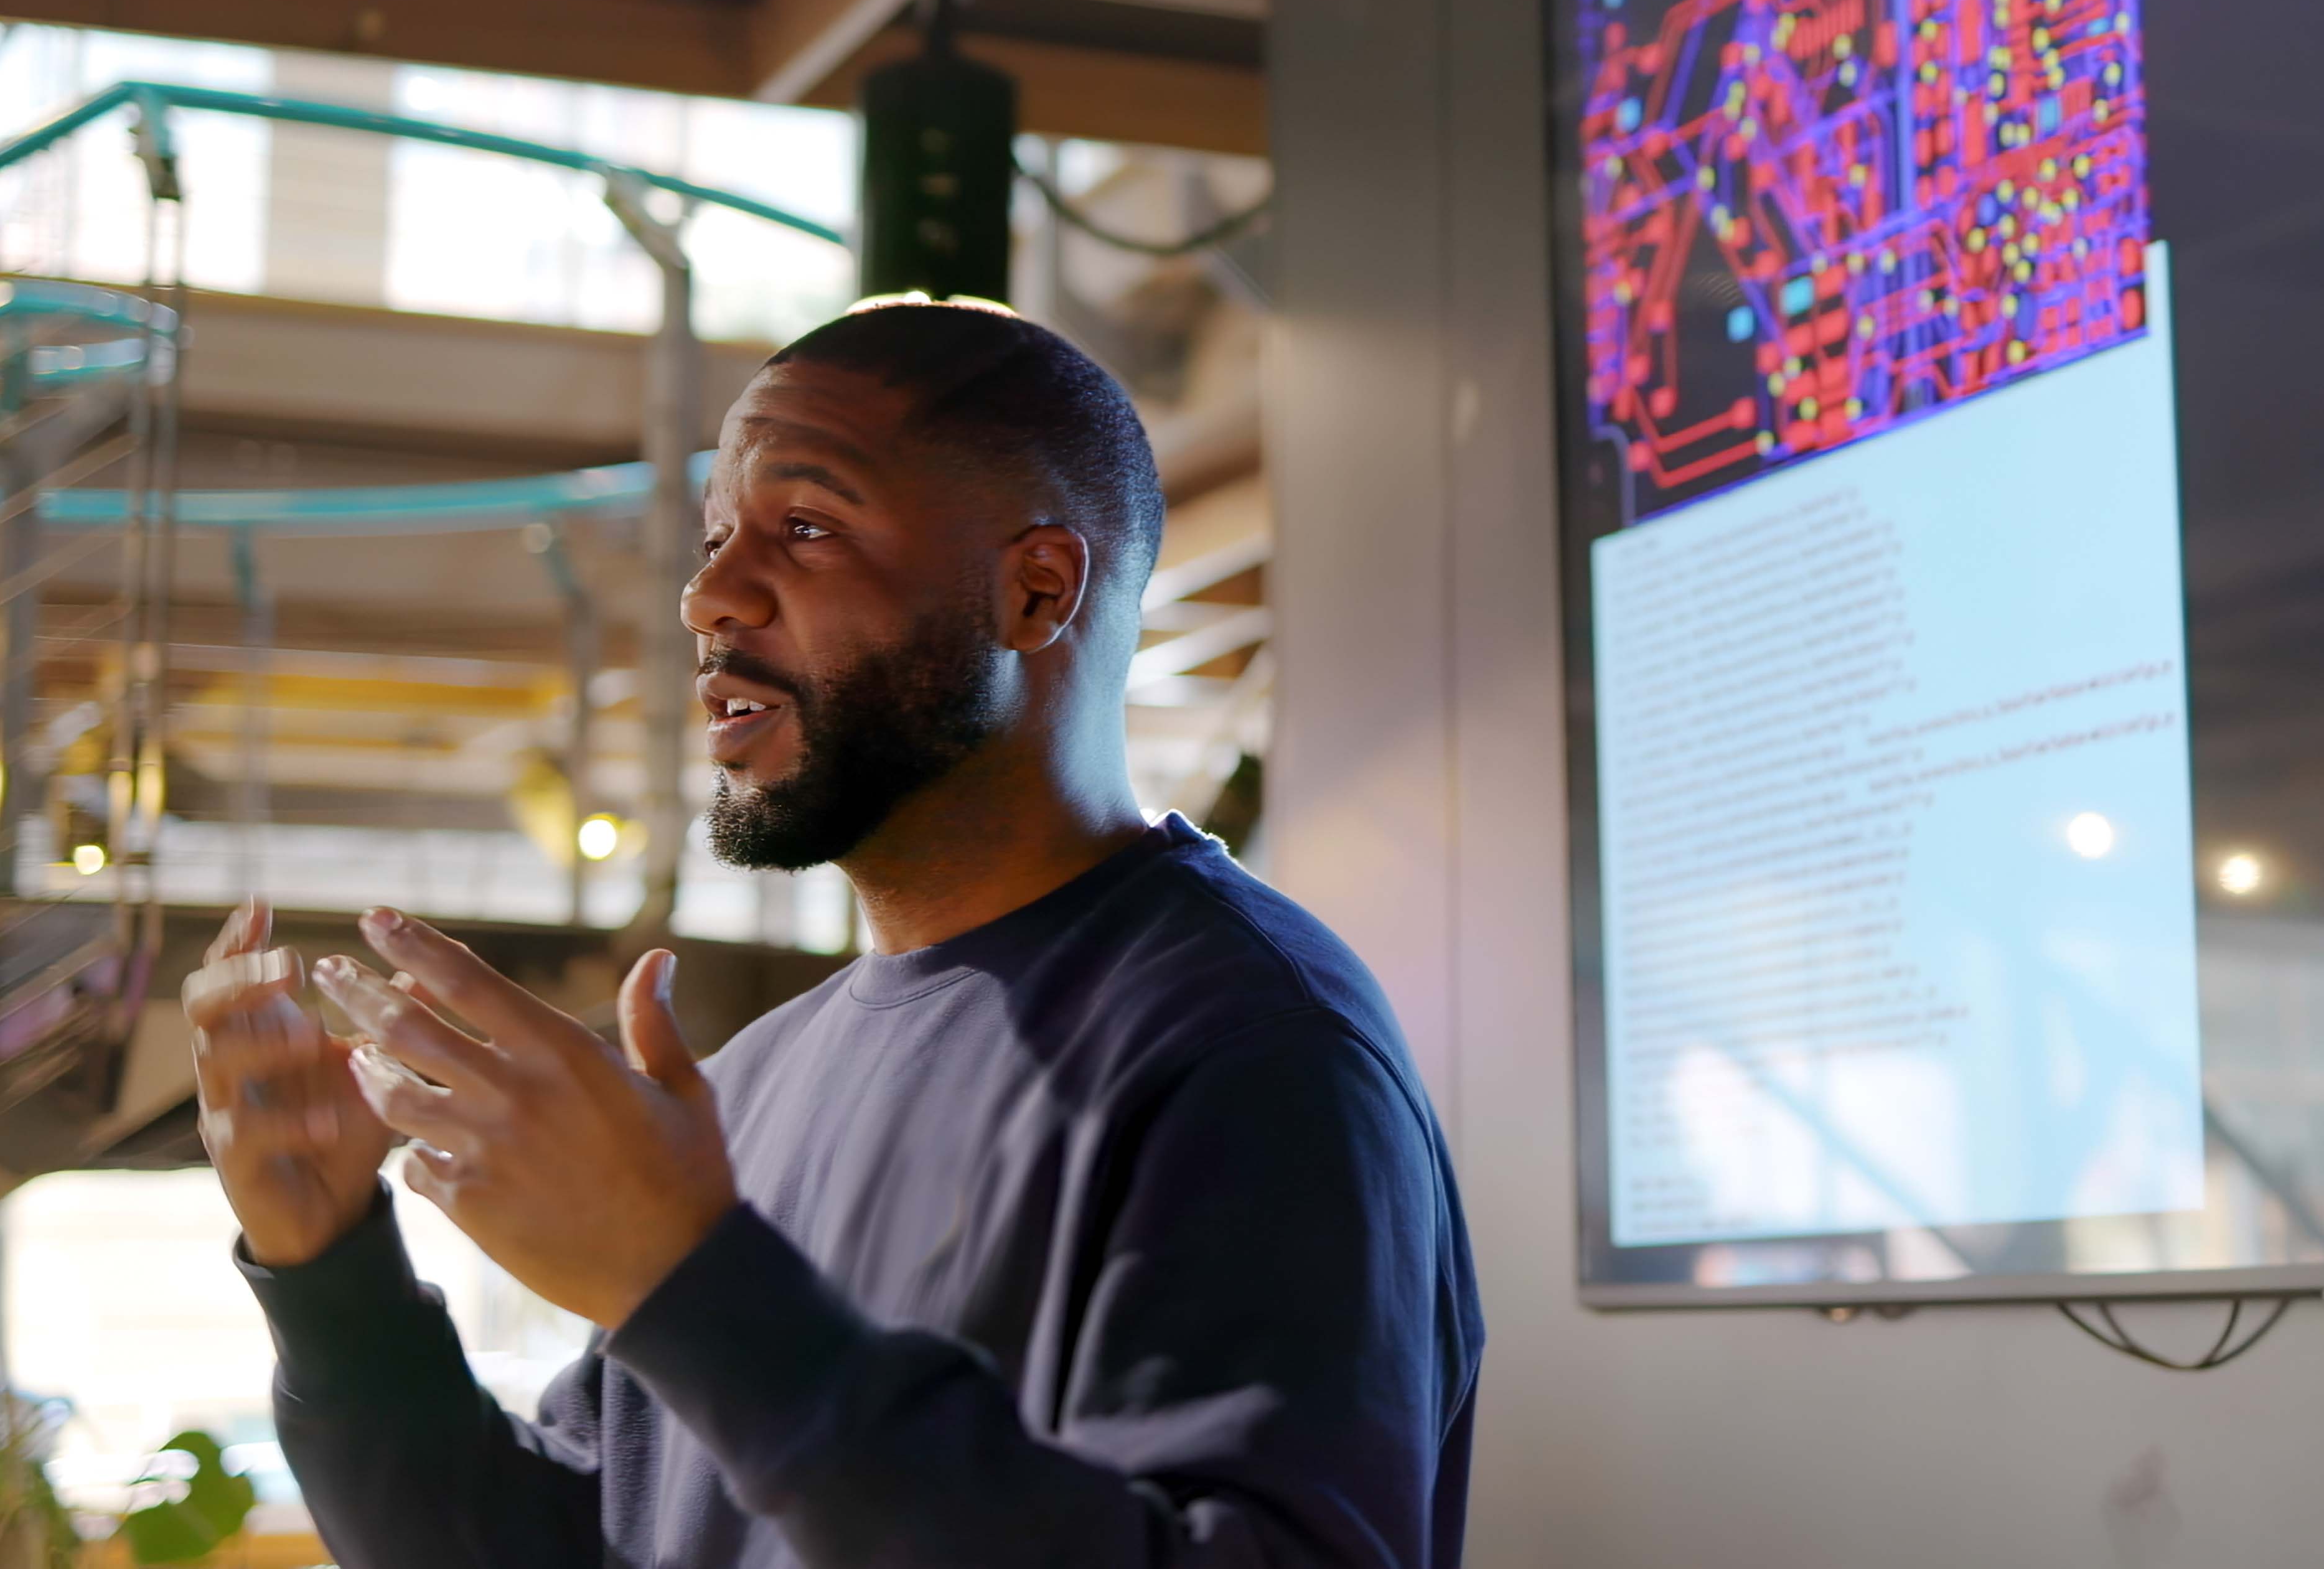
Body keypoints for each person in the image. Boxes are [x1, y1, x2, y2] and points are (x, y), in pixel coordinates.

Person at [182, 300, 1481, 1568]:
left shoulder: (1256, 1048)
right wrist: (334, 1276)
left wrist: (689, 1287)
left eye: (803, 529)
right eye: (712, 539)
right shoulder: (748, 1082)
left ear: (1035, 592)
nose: (708, 600)